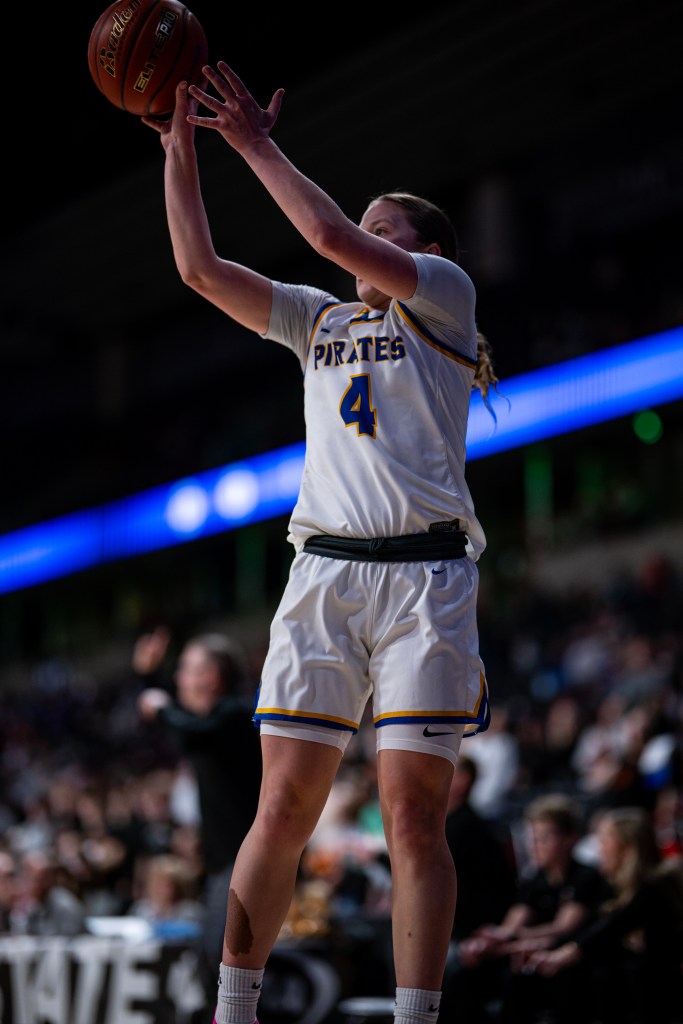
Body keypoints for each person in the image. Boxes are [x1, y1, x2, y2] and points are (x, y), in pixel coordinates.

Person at [143, 59, 498, 1024]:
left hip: (425, 577)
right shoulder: (319, 318)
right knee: (283, 811)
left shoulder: (443, 299)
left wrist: (254, 143)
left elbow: (326, 231)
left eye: (385, 228)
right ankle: (233, 1008)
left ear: (421, 249)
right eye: (368, 228)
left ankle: (417, 1016)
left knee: (413, 820)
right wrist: (182, 151)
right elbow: (199, 271)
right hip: (325, 573)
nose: (362, 241)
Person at [138, 631, 262, 1009]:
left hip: (246, 866)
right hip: (223, 866)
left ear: (212, 676)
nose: (179, 679)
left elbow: (187, 730)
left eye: (187, 670)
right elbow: (181, 719)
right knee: (212, 965)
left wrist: (157, 704)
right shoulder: (213, 720)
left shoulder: (234, 714)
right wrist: (150, 680)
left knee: (224, 967)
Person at [456, 792, 609, 1021]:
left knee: (518, 981)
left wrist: (511, 940)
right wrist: (489, 940)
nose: (534, 845)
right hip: (528, 952)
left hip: (568, 958)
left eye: (544, 837)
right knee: (465, 974)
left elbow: (563, 928)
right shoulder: (534, 879)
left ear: (570, 839)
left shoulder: (584, 877)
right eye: (532, 837)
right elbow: (512, 925)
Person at [525, 806, 683, 1024]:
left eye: (604, 841)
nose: (599, 850)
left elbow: (611, 927)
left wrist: (566, 953)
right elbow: (589, 928)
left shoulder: (654, 886)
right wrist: (551, 948)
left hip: (660, 991)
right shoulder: (612, 887)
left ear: (627, 849)